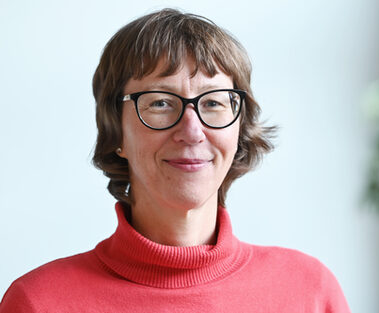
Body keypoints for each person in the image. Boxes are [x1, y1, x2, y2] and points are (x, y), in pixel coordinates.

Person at [0, 8, 350, 312]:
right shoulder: (38, 303)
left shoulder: (310, 292)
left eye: (213, 102)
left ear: (238, 128)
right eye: (160, 103)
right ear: (115, 132)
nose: (192, 131)